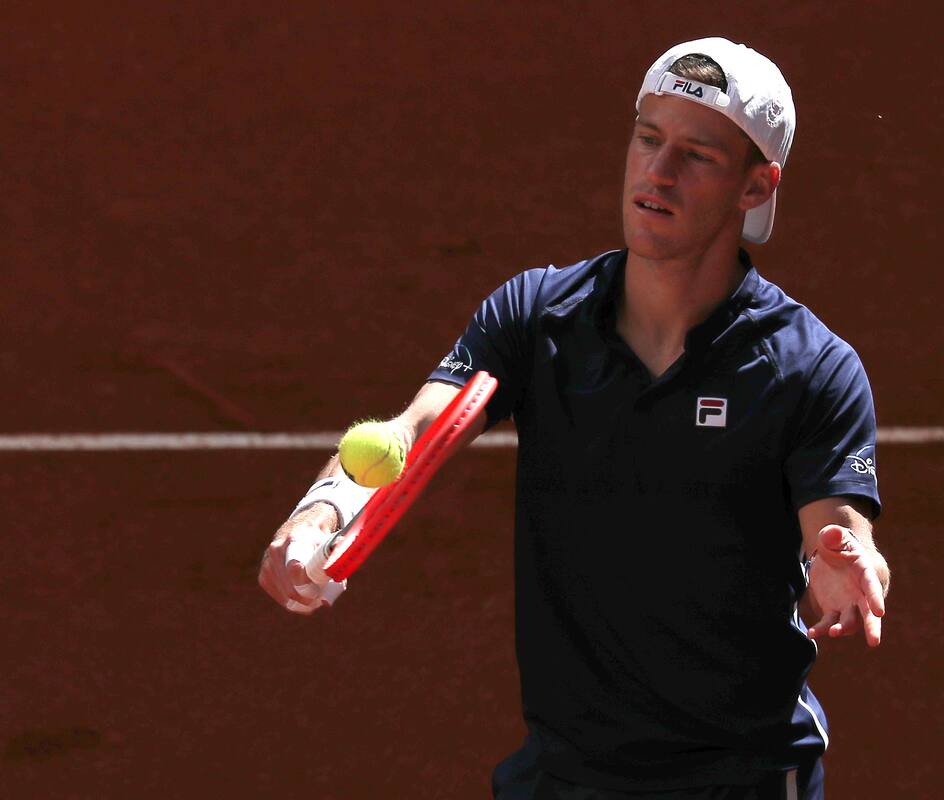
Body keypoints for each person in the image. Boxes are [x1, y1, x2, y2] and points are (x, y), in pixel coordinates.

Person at [259, 36, 890, 800]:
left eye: (697, 156)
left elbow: (840, 530)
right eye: (648, 139)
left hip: (740, 775)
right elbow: (415, 431)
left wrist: (846, 563)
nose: (657, 173)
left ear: (757, 187)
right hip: (565, 773)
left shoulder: (811, 367)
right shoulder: (534, 316)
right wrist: (320, 513)